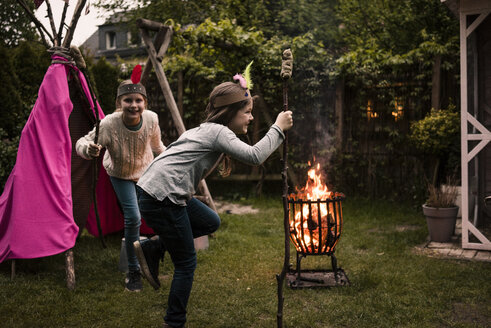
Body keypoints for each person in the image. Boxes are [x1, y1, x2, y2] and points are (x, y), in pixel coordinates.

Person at [134, 75, 293, 328]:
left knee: (210, 220)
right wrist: (277, 127)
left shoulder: (210, 130)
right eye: (247, 112)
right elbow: (254, 156)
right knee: (186, 262)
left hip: (158, 193)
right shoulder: (217, 131)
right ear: (231, 112)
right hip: (162, 197)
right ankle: (173, 323)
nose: (251, 118)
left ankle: (155, 247)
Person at [76, 78, 165, 292]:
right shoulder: (108, 124)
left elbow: (158, 147)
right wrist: (88, 149)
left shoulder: (152, 119)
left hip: (146, 173)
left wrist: (174, 162)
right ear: (119, 103)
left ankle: (155, 251)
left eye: (138, 100)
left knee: (161, 213)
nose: (133, 105)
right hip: (120, 174)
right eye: (128, 100)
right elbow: (81, 142)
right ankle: (133, 272)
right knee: (133, 217)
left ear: (145, 102)